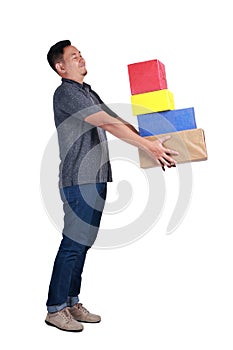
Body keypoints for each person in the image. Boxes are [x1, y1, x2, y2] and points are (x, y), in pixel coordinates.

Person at [45, 40, 178, 332]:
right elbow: (106, 122)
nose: (81, 59)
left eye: (81, 54)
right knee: (73, 244)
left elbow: (116, 120)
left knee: (83, 244)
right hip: (79, 180)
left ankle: (70, 301)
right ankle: (55, 308)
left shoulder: (87, 91)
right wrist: (147, 146)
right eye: (74, 57)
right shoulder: (66, 92)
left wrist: (151, 144)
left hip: (96, 178)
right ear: (61, 67)